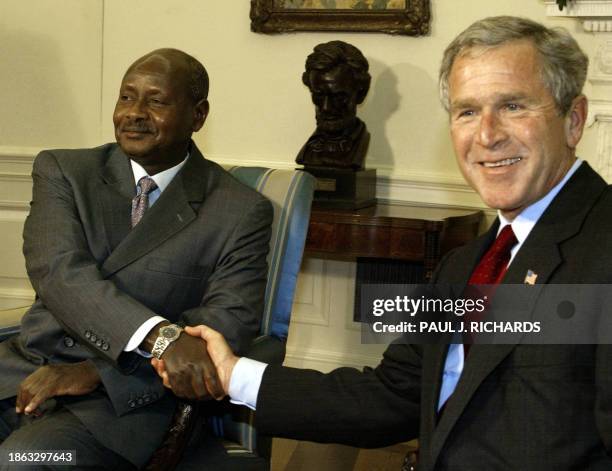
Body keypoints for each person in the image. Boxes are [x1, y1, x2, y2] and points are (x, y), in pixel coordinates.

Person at [155, 16, 612, 470]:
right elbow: (391, 397)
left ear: (573, 121)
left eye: (513, 106)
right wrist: (231, 374)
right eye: (467, 111)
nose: (487, 135)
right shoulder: (464, 266)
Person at [0, 48, 273, 470]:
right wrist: (159, 336)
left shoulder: (239, 210)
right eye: (126, 97)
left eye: (156, 101)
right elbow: (60, 274)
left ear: (198, 116)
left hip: (124, 403)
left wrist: (94, 372)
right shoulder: (65, 171)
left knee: (26, 459)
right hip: (23, 373)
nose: (134, 113)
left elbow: (227, 325)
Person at [295, 40, 371, 170]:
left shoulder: (358, 145)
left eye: (338, 97)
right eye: (318, 95)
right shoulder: (308, 150)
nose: (326, 107)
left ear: (361, 93)